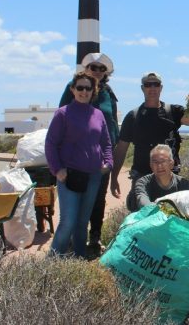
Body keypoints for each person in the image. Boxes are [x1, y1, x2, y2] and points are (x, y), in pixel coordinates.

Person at [111, 71, 189, 211]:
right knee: (143, 216)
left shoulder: (172, 111)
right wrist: (114, 178)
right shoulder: (133, 116)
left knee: (172, 217)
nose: (152, 88)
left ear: (161, 88)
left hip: (169, 177)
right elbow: (121, 149)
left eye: (156, 84)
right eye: (148, 84)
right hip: (142, 177)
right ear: (142, 88)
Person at [45, 72, 114, 258]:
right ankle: (51, 263)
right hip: (69, 176)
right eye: (80, 88)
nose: (84, 91)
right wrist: (57, 169)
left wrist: (108, 163)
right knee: (68, 221)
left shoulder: (98, 114)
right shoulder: (63, 114)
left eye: (88, 88)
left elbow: (106, 143)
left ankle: (79, 258)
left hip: (93, 176)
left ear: (94, 91)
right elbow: (50, 143)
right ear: (73, 90)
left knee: (82, 222)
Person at [59, 52, 119, 251]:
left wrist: (110, 158)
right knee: (74, 198)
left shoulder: (108, 92)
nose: (98, 71)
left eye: (102, 68)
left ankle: (94, 237)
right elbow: (62, 120)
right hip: (75, 158)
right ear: (85, 69)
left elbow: (112, 124)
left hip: (101, 158)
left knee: (97, 199)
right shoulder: (75, 88)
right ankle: (70, 241)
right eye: (94, 67)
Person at [134, 144, 189, 209]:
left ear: (171, 164)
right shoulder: (143, 183)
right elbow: (142, 201)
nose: (159, 166)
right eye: (155, 162)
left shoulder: (185, 185)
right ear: (151, 165)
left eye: (163, 161)